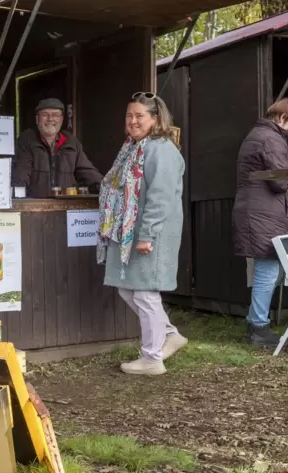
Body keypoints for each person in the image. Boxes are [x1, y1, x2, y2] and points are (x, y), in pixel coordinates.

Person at [97, 92, 187, 376]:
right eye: (129, 115)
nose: (133, 121)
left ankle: (152, 358)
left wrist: (147, 234)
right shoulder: (134, 147)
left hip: (152, 232)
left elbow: (161, 198)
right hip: (131, 232)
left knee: (146, 293)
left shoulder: (162, 150)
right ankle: (170, 334)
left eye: (140, 116)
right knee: (127, 288)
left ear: (155, 119)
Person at [233, 98, 288, 348]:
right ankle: (258, 327)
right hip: (261, 212)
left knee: (268, 268)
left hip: (256, 210)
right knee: (268, 269)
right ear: (284, 119)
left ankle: (256, 321)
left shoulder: (258, 134)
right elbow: (279, 181)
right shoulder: (272, 139)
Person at [13, 98, 103, 198]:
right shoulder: (26, 141)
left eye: (55, 115)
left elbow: (88, 173)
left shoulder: (72, 142)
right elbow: (21, 176)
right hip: (36, 206)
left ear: (61, 119)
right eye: (45, 114)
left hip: (65, 206)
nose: (50, 119)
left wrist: (106, 189)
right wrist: (19, 202)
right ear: (37, 119)